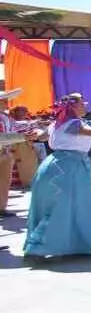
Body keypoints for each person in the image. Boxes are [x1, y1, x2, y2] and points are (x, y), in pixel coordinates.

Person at [23, 94, 91, 260]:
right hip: (71, 168)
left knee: (63, 205)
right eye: (82, 102)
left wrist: (33, 132)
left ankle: (43, 244)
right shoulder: (74, 123)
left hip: (51, 166)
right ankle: (66, 243)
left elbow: (40, 136)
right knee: (80, 205)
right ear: (73, 107)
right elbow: (89, 132)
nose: (85, 104)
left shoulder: (56, 124)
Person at [0, 88, 26, 217]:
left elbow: (16, 127)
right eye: (3, 100)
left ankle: (1, 208)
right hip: (3, 150)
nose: (6, 102)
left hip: (6, 151)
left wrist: (31, 126)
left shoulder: (6, 117)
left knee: (5, 181)